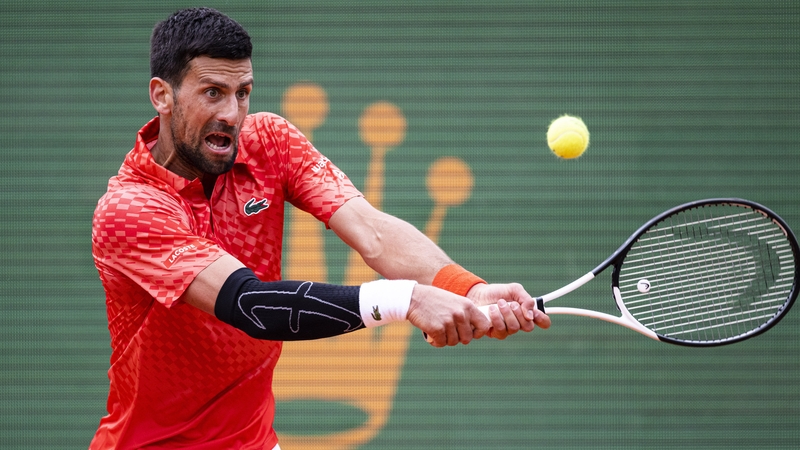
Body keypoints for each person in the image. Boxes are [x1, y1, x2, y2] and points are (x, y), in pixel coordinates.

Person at [90, 7, 550, 449]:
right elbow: (251, 306)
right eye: (213, 92)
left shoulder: (269, 141)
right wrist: (405, 298)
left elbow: (373, 231)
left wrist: (465, 289)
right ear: (162, 95)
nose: (232, 113)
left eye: (243, 92)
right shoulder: (129, 211)